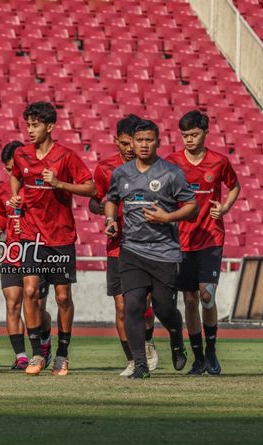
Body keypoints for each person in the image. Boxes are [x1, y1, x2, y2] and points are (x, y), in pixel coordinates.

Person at [105, 120, 198, 379]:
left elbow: (192, 206)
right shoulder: (121, 173)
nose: (144, 144)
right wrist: (111, 221)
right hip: (132, 251)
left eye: (149, 140)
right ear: (131, 144)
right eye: (139, 140)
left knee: (163, 309)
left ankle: (177, 337)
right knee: (133, 306)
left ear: (158, 142)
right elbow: (112, 199)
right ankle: (140, 365)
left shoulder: (171, 173)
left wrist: (167, 218)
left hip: (164, 252)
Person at [8, 101, 96, 376]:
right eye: (28, 125)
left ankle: (62, 353)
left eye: (35, 125)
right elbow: (15, 176)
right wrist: (15, 196)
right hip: (31, 237)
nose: (30, 130)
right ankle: (37, 354)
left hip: (60, 237)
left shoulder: (66, 157)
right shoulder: (22, 155)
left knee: (62, 296)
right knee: (31, 291)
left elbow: (91, 187)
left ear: (50, 126)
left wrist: (60, 184)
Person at [167, 110, 241, 376]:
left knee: (206, 294)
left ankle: (211, 349)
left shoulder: (219, 162)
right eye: (185, 135)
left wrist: (225, 207)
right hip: (181, 241)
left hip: (211, 238)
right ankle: (198, 357)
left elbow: (234, 186)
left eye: (194, 135)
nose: (189, 140)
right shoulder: (171, 162)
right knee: (189, 299)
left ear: (205, 133)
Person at [90, 115, 159, 376]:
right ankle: (133, 359)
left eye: (134, 143)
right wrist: (107, 212)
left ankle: (148, 340)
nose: (129, 149)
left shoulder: (155, 168)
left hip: (149, 245)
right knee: (121, 306)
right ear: (116, 141)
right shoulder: (105, 168)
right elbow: (94, 201)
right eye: (124, 143)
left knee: (143, 305)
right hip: (117, 247)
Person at [0, 141, 52, 370]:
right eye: (8, 170)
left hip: (35, 252)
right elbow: (1, 214)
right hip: (11, 254)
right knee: (12, 304)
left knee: (36, 307)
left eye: (14, 168)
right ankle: (21, 356)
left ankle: (44, 340)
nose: (12, 173)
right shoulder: (3, 190)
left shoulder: (38, 188)